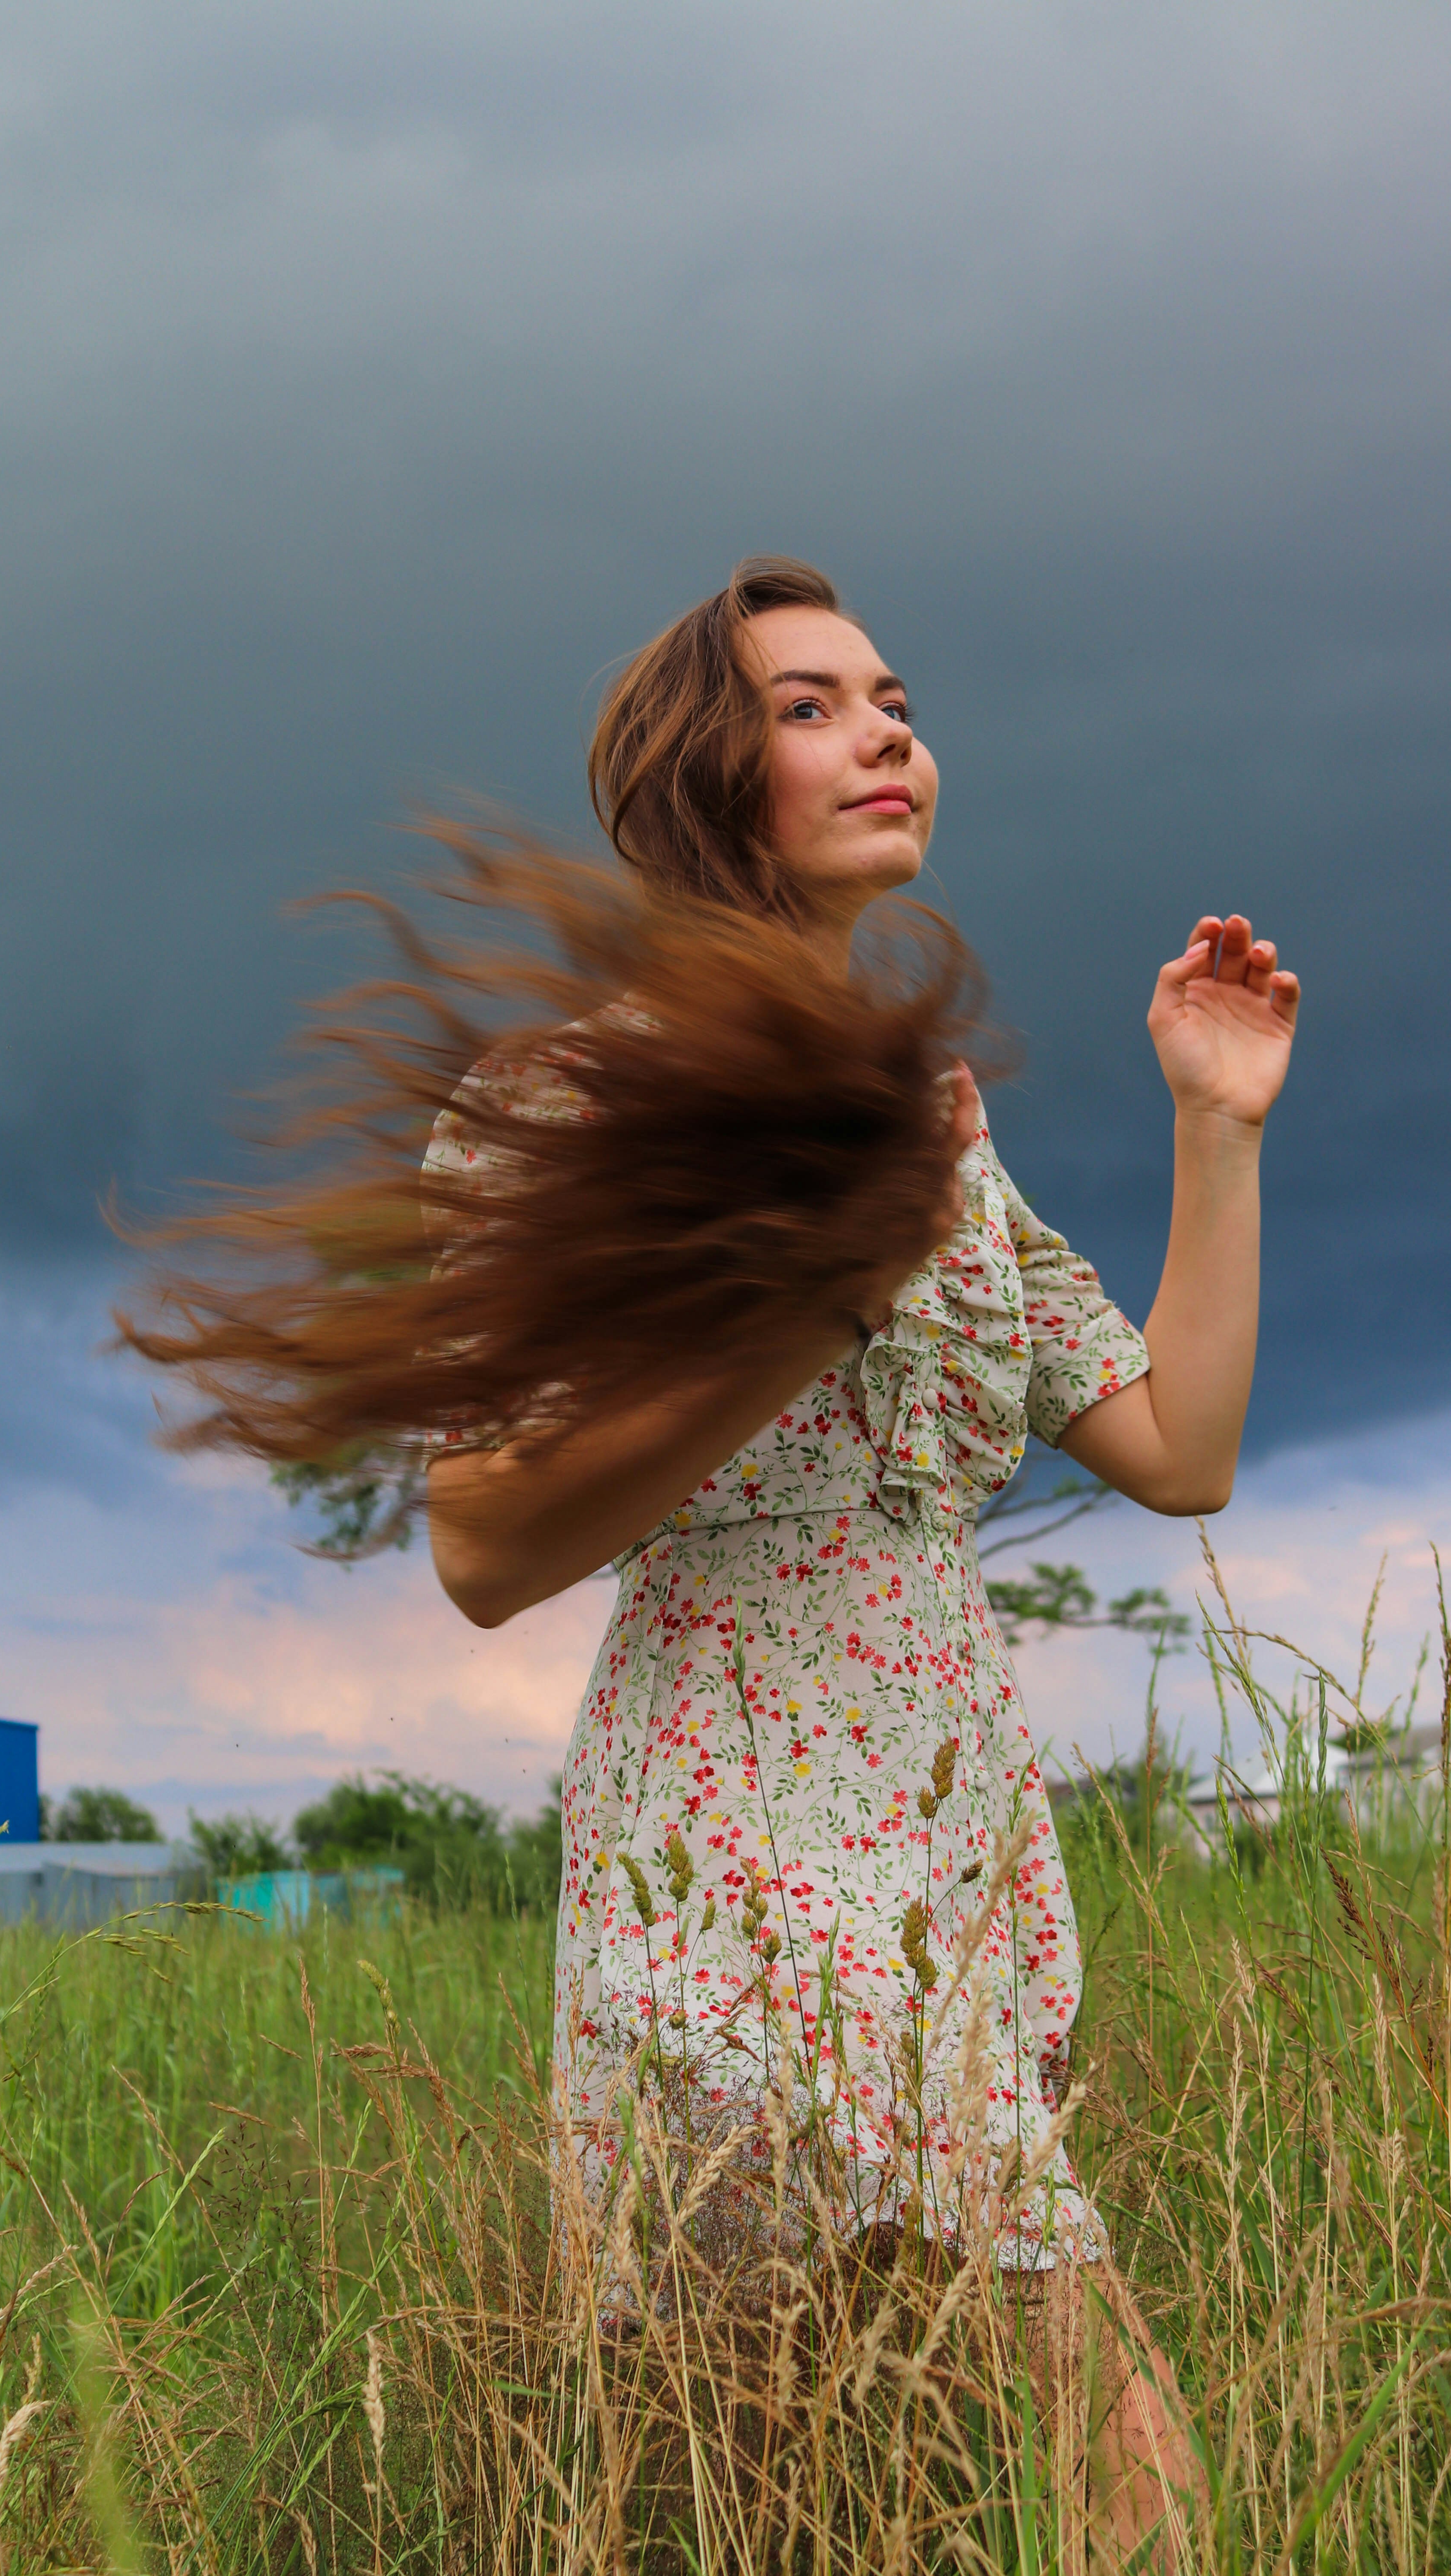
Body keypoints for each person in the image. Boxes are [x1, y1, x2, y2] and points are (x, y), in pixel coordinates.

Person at [423, 556, 1298, 2557]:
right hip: (732, 1851)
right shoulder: (568, 1101)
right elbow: (482, 1542)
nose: (886, 726)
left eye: (891, 695)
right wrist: (796, 1300)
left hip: (946, 1853)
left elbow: (1179, 1447)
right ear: (696, 781)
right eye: (810, 703)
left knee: (828, 2504)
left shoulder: (938, 1122)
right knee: (1114, 2471)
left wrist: (1215, 1126)